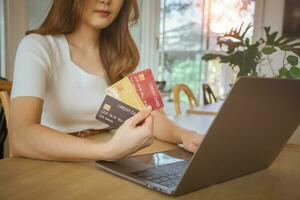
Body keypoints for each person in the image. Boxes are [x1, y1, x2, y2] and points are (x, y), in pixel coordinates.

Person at [9, 0, 202, 161]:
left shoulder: (120, 57)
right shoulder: (37, 47)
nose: (106, 1)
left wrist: (185, 135)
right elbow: (21, 137)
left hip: (107, 165)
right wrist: (108, 151)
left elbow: (147, 117)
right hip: (52, 166)